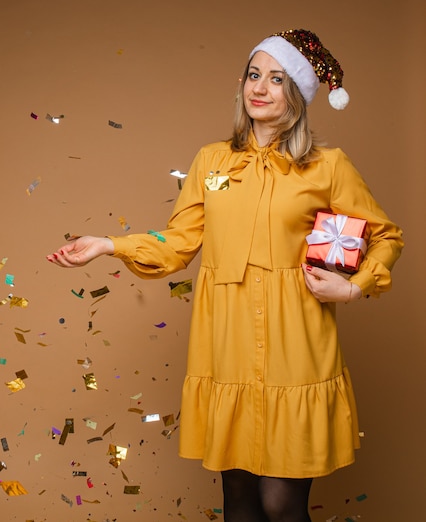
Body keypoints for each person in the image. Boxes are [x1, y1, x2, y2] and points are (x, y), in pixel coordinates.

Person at [47, 29, 404, 522]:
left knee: (282, 506)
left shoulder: (327, 167)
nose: (259, 88)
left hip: (295, 343)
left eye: (276, 79)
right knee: (238, 503)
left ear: (296, 94)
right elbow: (180, 241)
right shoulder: (213, 162)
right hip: (227, 341)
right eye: (253, 76)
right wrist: (110, 244)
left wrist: (353, 286)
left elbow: (386, 236)